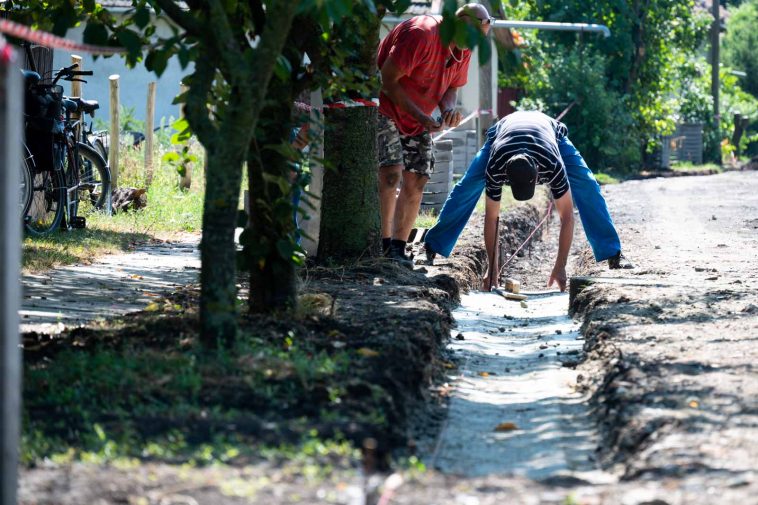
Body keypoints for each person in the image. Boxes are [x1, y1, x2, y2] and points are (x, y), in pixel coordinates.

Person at [424, 110, 633, 289]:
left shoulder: (552, 164)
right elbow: (492, 218)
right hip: (501, 133)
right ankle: (433, 245)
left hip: (551, 134)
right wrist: (492, 270)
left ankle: (612, 252)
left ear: (539, 175)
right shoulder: (496, 167)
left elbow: (567, 216)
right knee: (466, 188)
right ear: (507, 178)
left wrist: (561, 266)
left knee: (588, 186)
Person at [376, 3, 494, 267]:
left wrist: (449, 109)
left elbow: (451, 87)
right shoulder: (422, 34)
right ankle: (381, 245)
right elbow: (387, 80)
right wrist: (421, 116)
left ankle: (398, 247)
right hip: (386, 108)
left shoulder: (463, 49)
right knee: (391, 172)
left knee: (417, 177)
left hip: (419, 117)